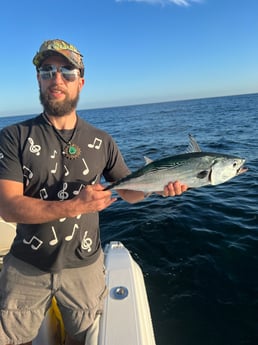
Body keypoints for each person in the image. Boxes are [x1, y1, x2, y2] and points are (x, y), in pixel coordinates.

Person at [0, 39, 188, 345]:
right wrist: (76, 205)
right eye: (47, 71)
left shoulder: (102, 140)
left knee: (82, 337)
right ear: (38, 79)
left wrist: (158, 188)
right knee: (13, 338)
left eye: (67, 72)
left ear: (81, 82)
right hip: (26, 264)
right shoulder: (13, 137)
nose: (56, 79)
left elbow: (128, 190)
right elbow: (8, 207)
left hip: (84, 266)